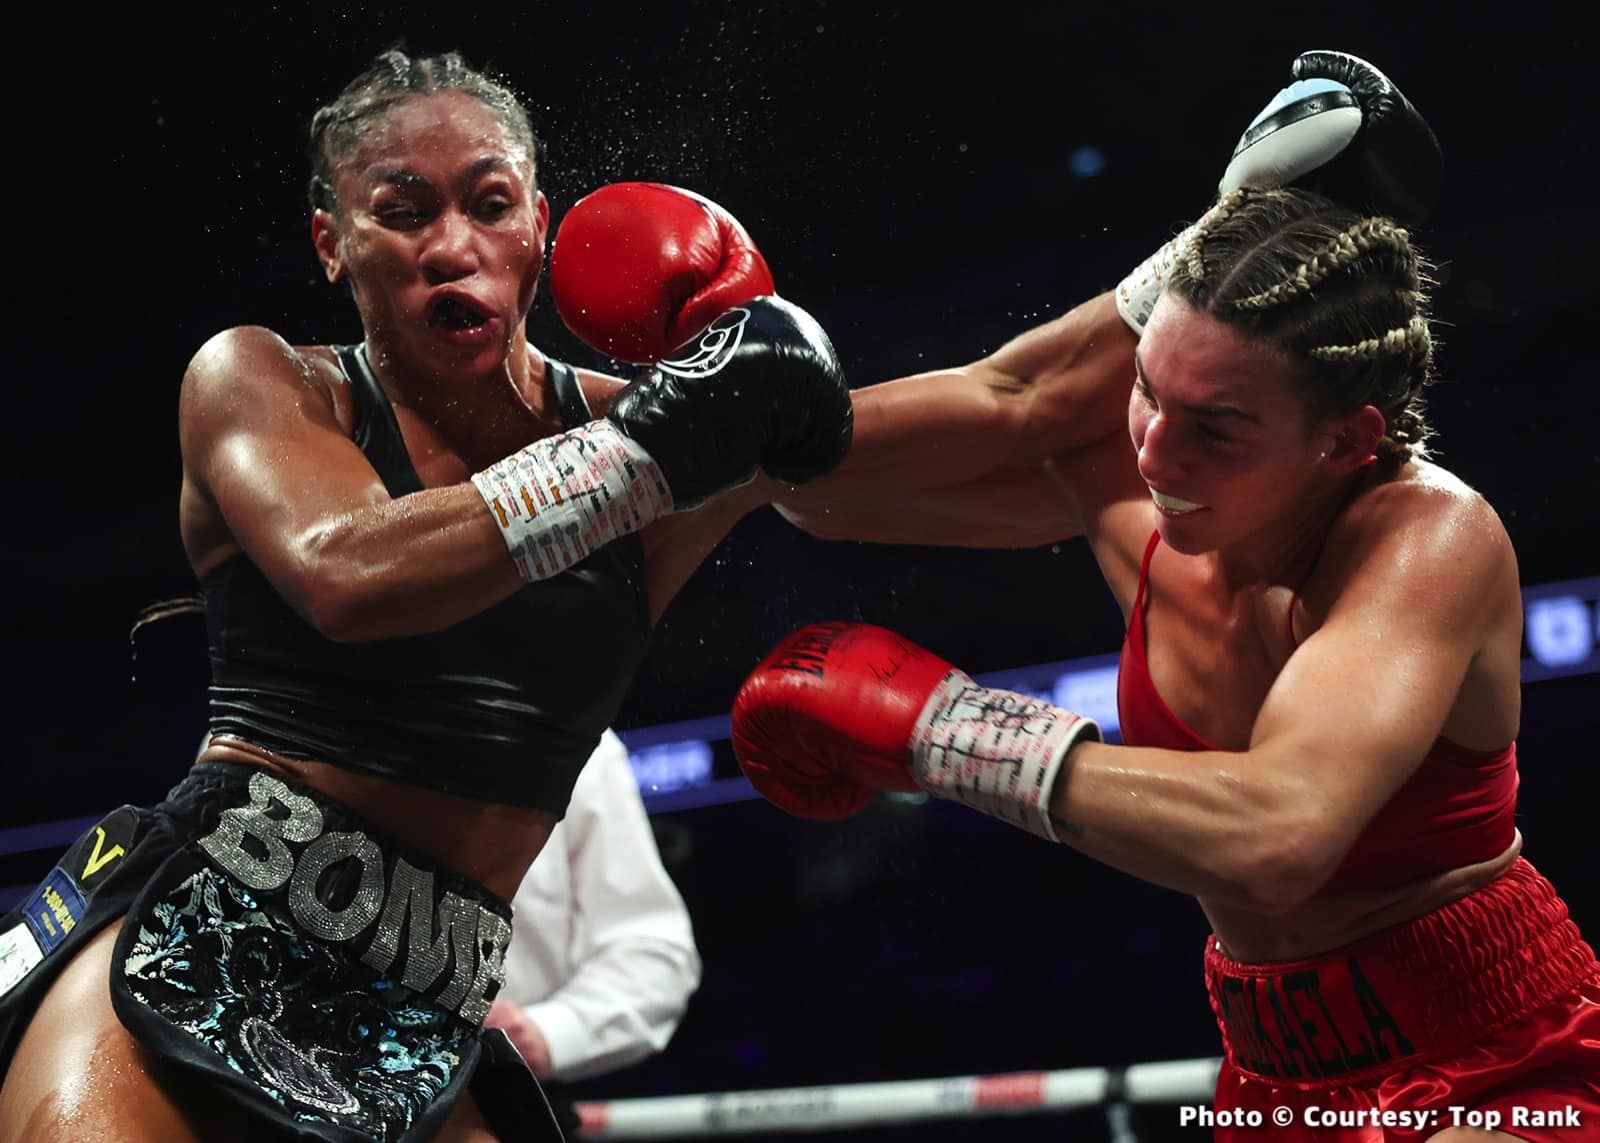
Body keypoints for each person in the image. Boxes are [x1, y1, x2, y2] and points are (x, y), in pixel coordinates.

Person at [731, 52, 1600, 1141]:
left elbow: (1279, 833)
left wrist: (949, 732)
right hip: (1268, 1079)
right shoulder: (1151, 500)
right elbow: (833, 494)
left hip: (1494, 1067)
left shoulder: (1429, 539)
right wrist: (695, 410)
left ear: (1345, 440)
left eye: (1217, 426)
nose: (1156, 453)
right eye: (1145, 393)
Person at [0, 48, 849, 1142]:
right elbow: (343, 570)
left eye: (490, 206)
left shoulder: (656, 433)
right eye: (402, 213)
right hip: (200, 936)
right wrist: (661, 440)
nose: (452, 248)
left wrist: (1139, 327)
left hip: (420, 1020)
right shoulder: (264, 381)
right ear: (332, 242)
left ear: (539, 226)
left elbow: (996, 418)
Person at [484, 730, 699, 1125]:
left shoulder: (578, 738)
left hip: (500, 1099)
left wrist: (548, 1032)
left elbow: (652, 949)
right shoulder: (340, 714)